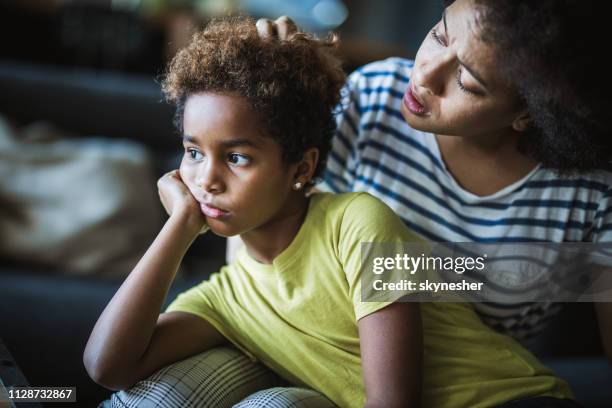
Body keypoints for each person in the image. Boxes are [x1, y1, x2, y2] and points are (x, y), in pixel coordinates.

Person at [85, 16, 575, 408]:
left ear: (303, 167)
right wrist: (179, 225)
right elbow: (107, 367)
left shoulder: (359, 222)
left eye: (236, 158)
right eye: (193, 152)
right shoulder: (226, 299)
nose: (205, 180)